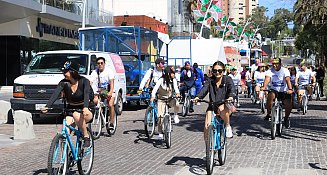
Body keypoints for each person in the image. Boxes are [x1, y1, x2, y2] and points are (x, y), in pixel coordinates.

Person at [42, 61, 93, 147]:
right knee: (65, 132)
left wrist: (85, 107)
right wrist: (47, 106)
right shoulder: (63, 82)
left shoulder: (84, 81)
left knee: (77, 115)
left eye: (66, 71)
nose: (63, 73)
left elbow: (87, 94)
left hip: (85, 110)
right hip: (70, 110)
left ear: (73, 72)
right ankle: (65, 157)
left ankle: (86, 136)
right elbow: (55, 94)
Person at [194, 61, 236, 139]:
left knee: (221, 108)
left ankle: (227, 125)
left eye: (219, 71)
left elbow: (232, 89)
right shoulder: (209, 80)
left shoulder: (228, 79)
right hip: (212, 105)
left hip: (225, 104)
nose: (217, 72)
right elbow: (204, 89)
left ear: (223, 71)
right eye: (215, 71)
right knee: (207, 125)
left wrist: (230, 97)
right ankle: (208, 147)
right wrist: (198, 97)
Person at [261, 58, 293, 128]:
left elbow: (287, 79)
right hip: (274, 90)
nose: (275, 66)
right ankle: (269, 113)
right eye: (273, 64)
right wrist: (264, 86)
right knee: (271, 96)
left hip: (284, 90)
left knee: (288, 104)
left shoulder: (285, 70)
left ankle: (286, 118)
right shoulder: (269, 71)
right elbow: (267, 79)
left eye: (276, 64)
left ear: (280, 64)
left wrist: (290, 89)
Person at [150, 66, 180, 140]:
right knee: (160, 117)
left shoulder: (174, 80)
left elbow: (176, 88)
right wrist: (153, 96)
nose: (173, 74)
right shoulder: (161, 80)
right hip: (161, 100)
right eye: (172, 73)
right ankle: (160, 133)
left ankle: (175, 115)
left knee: (177, 103)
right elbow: (155, 89)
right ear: (168, 74)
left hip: (170, 99)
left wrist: (178, 93)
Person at [90, 57, 116, 127]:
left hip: (109, 90)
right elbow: (91, 82)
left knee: (110, 104)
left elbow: (112, 82)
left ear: (104, 64)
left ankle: (111, 121)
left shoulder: (109, 71)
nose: (100, 65)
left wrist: (110, 92)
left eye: (102, 63)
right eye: (98, 63)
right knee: (95, 102)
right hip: (100, 91)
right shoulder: (94, 72)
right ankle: (101, 117)